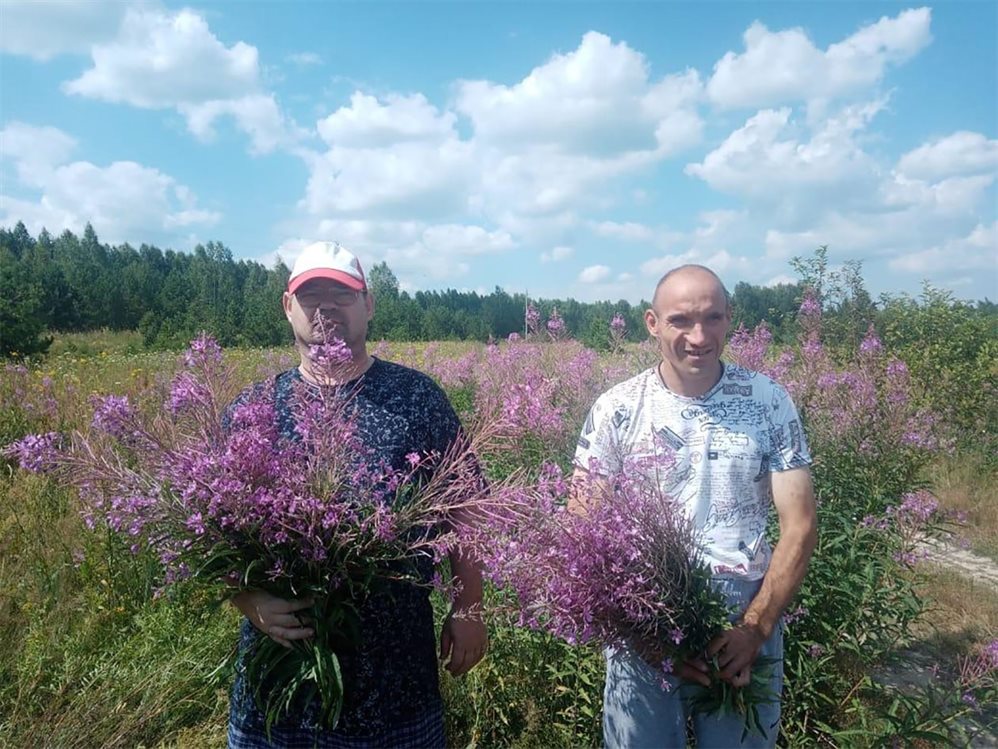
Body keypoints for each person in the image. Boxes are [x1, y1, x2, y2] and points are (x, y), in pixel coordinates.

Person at [227, 241, 487, 748]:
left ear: (368, 304)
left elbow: (468, 511)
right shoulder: (252, 407)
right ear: (288, 307)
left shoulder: (416, 398)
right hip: (276, 698)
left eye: (342, 296)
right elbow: (215, 528)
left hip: (395, 693)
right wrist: (247, 597)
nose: (325, 309)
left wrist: (469, 609)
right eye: (311, 297)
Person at [571, 264, 818, 748]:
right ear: (652, 323)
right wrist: (645, 638)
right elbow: (581, 531)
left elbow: (800, 526)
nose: (698, 336)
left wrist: (755, 629)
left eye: (713, 318)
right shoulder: (617, 407)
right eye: (681, 320)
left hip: (744, 610)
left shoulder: (769, 401)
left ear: (729, 320)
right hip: (641, 613)